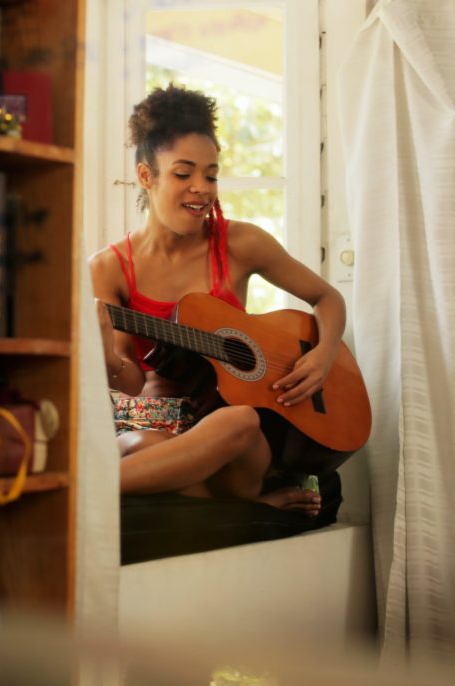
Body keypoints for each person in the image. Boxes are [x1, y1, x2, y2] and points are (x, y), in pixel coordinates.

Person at [89, 84, 349, 516]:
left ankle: (91, 490)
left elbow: (327, 298)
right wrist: (106, 360)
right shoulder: (109, 268)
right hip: (155, 423)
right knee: (150, 447)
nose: (201, 189)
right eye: (183, 173)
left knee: (241, 422)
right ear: (146, 176)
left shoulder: (241, 243)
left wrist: (323, 356)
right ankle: (248, 505)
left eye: (210, 175)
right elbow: (130, 382)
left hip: (234, 434)